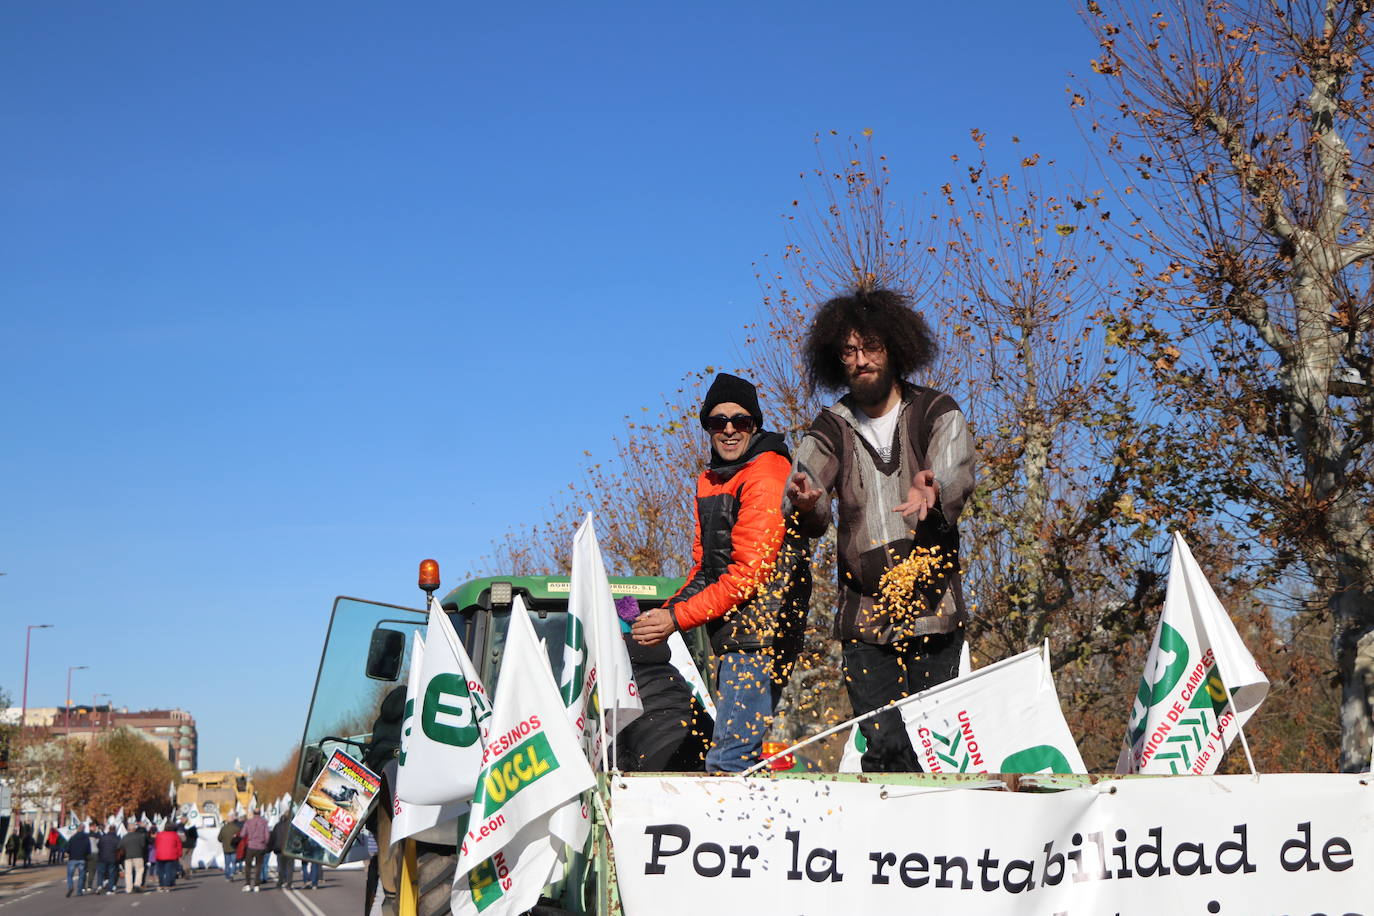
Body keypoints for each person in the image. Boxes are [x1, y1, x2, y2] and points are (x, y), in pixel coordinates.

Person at [785, 287, 975, 773]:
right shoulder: (831, 426)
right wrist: (804, 505)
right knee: (884, 747)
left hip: (934, 607)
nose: (860, 359)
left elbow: (954, 473)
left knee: (938, 750)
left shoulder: (936, 411)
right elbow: (805, 494)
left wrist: (933, 488)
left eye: (871, 347)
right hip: (863, 617)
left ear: (895, 348)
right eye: (848, 351)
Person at [632, 372, 811, 772]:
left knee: (729, 759)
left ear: (755, 425)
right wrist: (661, 614)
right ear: (707, 429)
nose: (728, 430)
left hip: (762, 636)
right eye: (717, 422)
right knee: (732, 752)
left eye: (740, 421)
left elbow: (746, 574)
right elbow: (705, 567)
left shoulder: (766, 474)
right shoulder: (711, 480)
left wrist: (675, 618)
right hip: (733, 635)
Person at [239, 808, 269, 893]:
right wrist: (265, 843)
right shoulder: (264, 822)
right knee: (258, 866)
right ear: (260, 813)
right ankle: (257, 885)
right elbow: (267, 836)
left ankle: (248, 884)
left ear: (253, 813)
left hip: (251, 846)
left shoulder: (248, 822)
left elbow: (242, 834)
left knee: (248, 866)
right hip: (261, 847)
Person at [119, 821, 148, 894]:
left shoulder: (124, 837)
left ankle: (129, 888)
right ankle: (137, 884)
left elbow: (120, 846)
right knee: (139, 870)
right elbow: (143, 845)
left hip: (127, 857)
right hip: (138, 855)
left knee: (128, 873)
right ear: (134, 829)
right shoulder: (139, 836)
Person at [153, 821, 182, 892]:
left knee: (160, 871)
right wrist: (179, 854)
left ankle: (161, 884)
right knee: (169, 871)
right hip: (171, 855)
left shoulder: (160, 834)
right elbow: (179, 845)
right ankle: (167, 885)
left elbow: (156, 844)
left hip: (160, 855)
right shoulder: (175, 835)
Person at [64, 825, 92, 897]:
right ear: (84, 829)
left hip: (72, 858)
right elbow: (89, 850)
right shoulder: (86, 838)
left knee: (70, 875)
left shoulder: (72, 838)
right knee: (81, 876)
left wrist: (69, 852)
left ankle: (70, 887)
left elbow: (67, 849)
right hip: (82, 859)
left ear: (77, 829)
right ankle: (79, 891)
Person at [271, 812, 295, 890]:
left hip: (279, 849)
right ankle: (289, 884)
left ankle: (280, 882)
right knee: (289, 868)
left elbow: (273, 836)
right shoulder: (293, 826)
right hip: (290, 849)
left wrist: (273, 847)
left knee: (281, 867)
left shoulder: (278, 825)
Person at [95, 825, 120, 893]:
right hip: (112, 857)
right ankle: (110, 889)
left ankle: (99, 885)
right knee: (111, 874)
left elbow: (98, 845)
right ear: (115, 830)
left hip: (102, 857)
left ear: (109, 829)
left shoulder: (103, 837)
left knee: (101, 872)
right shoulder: (117, 838)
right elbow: (119, 848)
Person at [219, 815, 241, 880]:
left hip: (226, 848)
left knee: (227, 863)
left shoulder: (223, 828)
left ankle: (227, 876)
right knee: (233, 862)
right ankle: (232, 874)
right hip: (234, 848)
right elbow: (240, 837)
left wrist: (223, 841)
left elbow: (219, 838)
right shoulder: (236, 828)